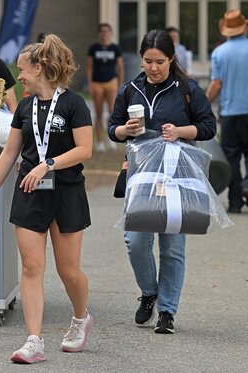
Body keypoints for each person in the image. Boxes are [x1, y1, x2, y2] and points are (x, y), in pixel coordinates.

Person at [0, 34, 93, 364]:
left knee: (68, 270)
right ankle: (33, 340)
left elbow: (85, 149)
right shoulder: (24, 107)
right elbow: (10, 153)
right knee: (31, 267)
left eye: (22, 71)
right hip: (29, 193)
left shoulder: (73, 103)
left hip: (67, 191)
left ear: (39, 68)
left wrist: (48, 164)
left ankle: (80, 318)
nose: (19, 78)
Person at [108, 30, 216, 334]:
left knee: (172, 246)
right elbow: (111, 128)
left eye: (159, 62)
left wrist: (181, 132)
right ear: (141, 59)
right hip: (141, 174)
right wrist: (123, 132)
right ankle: (149, 292)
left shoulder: (187, 89)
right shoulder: (130, 89)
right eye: (148, 61)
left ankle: (167, 311)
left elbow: (208, 127)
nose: (153, 68)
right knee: (136, 241)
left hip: (177, 175)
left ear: (172, 59)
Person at [207, 9, 248, 213]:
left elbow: (216, 84)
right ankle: (247, 186)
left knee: (232, 157)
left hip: (230, 113)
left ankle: (235, 202)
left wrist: (204, 103)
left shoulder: (219, 53)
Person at [86, 22, 125, 152]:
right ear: (99, 33)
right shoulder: (93, 48)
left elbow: (120, 67)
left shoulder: (115, 48)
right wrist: (90, 83)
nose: (105, 33)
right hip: (97, 83)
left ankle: (111, 138)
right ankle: (100, 140)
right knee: (98, 112)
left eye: (107, 31)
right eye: (102, 31)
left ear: (111, 33)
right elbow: (90, 67)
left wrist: (120, 84)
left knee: (112, 112)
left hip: (111, 82)